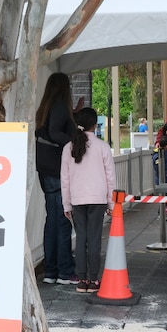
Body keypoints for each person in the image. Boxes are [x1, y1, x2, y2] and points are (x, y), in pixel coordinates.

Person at [61, 107, 117, 293]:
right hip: (97, 198)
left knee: (81, 238)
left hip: (77, 198)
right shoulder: (102, 147)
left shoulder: (68, 148)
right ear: (95, 124)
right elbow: (110, 177)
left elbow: (65, 179)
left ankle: (81, 279)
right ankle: (94, 280)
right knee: (94, 239)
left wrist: (66, 203)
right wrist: (111, 202)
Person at [34, 73, 78, 285]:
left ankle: (51, 271)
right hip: (56, 170)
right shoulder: (60, 105)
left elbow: (49, 129)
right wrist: (75, 139)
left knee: (51, 221)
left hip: (44, 169)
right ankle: (65, 271)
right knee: (63, 221)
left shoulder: (45, 107)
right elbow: (55, 132)